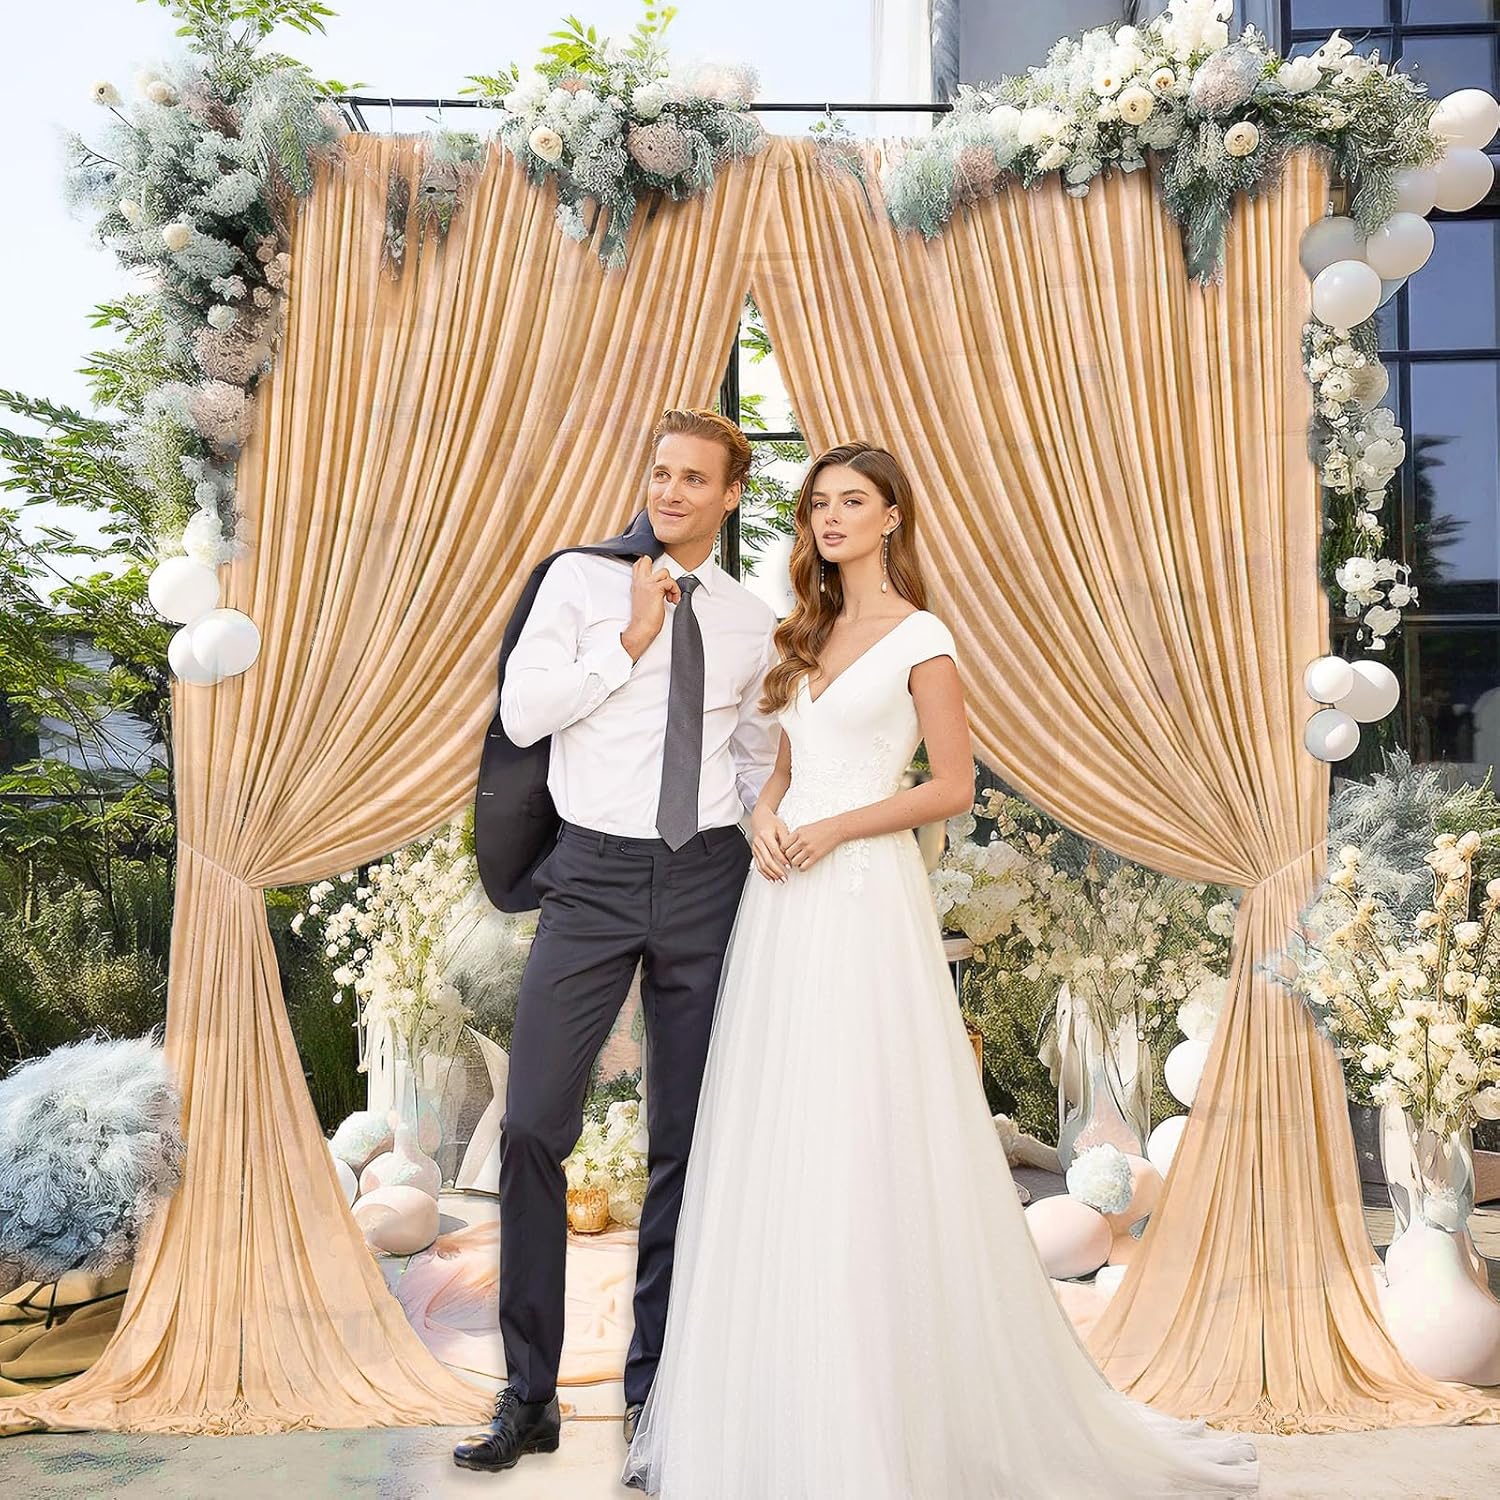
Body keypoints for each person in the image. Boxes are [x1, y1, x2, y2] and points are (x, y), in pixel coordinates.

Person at [621, 442, 1260, 1498]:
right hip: (783, 901)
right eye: (818, 504)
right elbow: (780, 767)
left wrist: (834, 829)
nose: (830, 518)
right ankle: (782, 1404)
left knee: (865, 1123)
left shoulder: (923, 636)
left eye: (852, 502)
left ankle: (881, 1413)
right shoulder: (803, 631)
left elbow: (951, 785)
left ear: (891, 518)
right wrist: (768, 816)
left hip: (863, 898)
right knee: (783, 1124)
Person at [454, 409, 780, 1473]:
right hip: (591, 877)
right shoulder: (581, 582)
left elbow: (750, 749)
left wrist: (773, 829)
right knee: (532, 1128)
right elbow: (523, 712)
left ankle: (656, 1394)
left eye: (694, 479)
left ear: (731, 495)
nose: (671, 493)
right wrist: (629, 641)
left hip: (708, 878)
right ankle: (529, 1394)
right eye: (661, 473)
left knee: (685, 1141)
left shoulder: (751, 619)